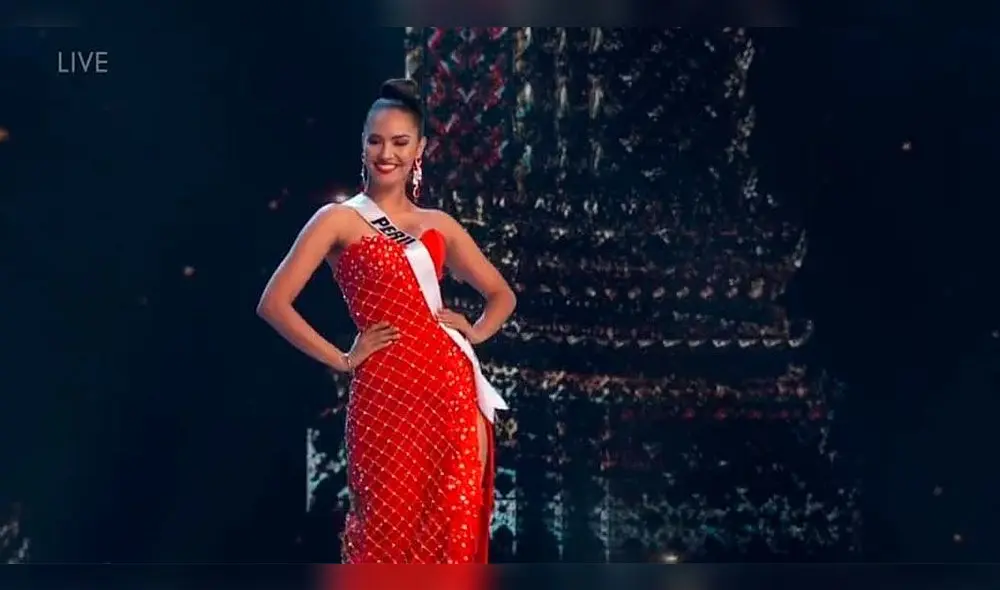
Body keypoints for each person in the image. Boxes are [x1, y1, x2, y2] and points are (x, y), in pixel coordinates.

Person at [256, 79, 516, 563]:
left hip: (451, 394)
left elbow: (502, 294)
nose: (386, 153)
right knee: (381, 539)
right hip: (385, 393)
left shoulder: (438, 224)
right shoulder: (337, 220)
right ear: (362, 143)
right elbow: (274, 302)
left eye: (400, 142)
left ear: (420, 148)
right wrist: (341, 358)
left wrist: (475, 330)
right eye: (375, 140)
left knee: (450, 538)